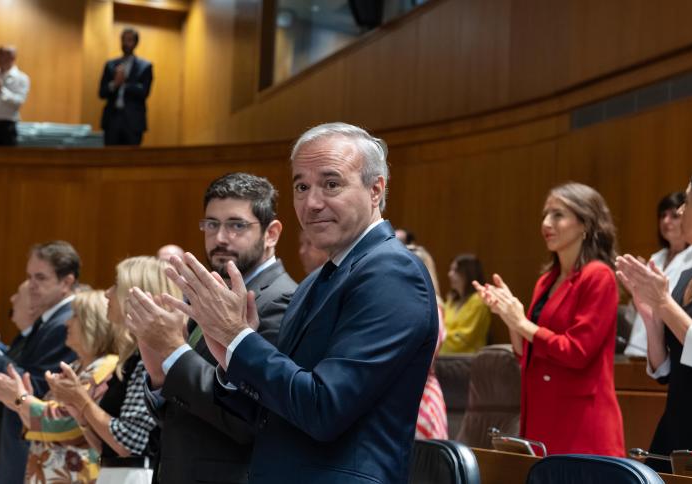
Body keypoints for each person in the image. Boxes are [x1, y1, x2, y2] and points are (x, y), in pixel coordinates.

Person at [164, 122, 439, 483]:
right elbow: (270, 412)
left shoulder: (392, 272)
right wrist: (229, 352)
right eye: (301, 186)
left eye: (331, 184)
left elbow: (324, 409)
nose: (311, 202)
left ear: (376, 189)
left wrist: (239, 339)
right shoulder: (316, 281)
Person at [126, 173, 297, 483]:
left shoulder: (280, 299)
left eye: (236, 225)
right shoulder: (211, 293)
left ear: (271, 233)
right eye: (212, 224)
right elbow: (184, 413)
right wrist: (160, 376)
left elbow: (248, 419)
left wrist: (174, 352)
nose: (220, 238)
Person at [475, 182, 624, 456]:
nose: (546, 223)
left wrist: (522, 322)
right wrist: (509, 316)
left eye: (558, 215)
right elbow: (527, 355)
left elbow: (577, 352)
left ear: (585, 223)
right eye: (545, 214)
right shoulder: (546, 281)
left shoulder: (599, 276)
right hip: (542, 416)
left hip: (581, 424)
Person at [47, 256, 179, 484]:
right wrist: (82, 414)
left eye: (116, 285)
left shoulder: (153, 356)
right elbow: (107, 448)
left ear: (138, 294)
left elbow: (130, 444)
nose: (107, 293)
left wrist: (84, 402)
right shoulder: (134, 355)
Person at [0, 290, 129, 483]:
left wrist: (20, 399)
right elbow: (41, 421)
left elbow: (65, 424)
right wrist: (17, 400)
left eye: (74, 316)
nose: (67, 323)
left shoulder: (105, 367)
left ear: (93, 323)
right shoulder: (75, 366)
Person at [616, 165, 692, 471]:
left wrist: (663, 303)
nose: (680, 211)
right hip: (674, 431)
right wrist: (651, 318)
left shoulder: (671, 292)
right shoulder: (684, 278)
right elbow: (666, 370)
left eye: (686, 203)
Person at [0, 241, 79, 483]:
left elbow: (39, 386)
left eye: (40, 278)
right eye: (29, 276)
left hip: (38, 443)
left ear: (67, 282)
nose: (31, 286)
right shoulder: (48, 321)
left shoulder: (63, 323)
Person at [624, 192, 692, 357]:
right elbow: (637, 313)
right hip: (637, 349)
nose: (666, 221)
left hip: (672, 349)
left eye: (674, 216)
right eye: (662, 216)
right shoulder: (656, 258)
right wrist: (634, 291)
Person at [407, 244, 448, 440]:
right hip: (412, 394)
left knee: (423, 466)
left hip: (422, 398)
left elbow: (423, 358)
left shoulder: (434, 309)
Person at [99, 28, 153, 146]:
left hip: (133, 122)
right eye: (123, 40)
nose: (125, 43)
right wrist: (114, 84)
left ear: (135, 43)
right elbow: (101, 93)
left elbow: (144, 92)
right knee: (109, 159)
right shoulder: (110, 65)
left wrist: (124, 84)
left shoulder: (145, 66)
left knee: (131, 160)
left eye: (129, 40)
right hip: (112, 120)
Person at [440, 254, 491, 353]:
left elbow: (462, 339)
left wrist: (435, 338)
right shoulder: (451, 300)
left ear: (468, 273)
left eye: (455, 270)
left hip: (467, 361)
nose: (449, 274)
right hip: (445, 359)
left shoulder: (479, 300)